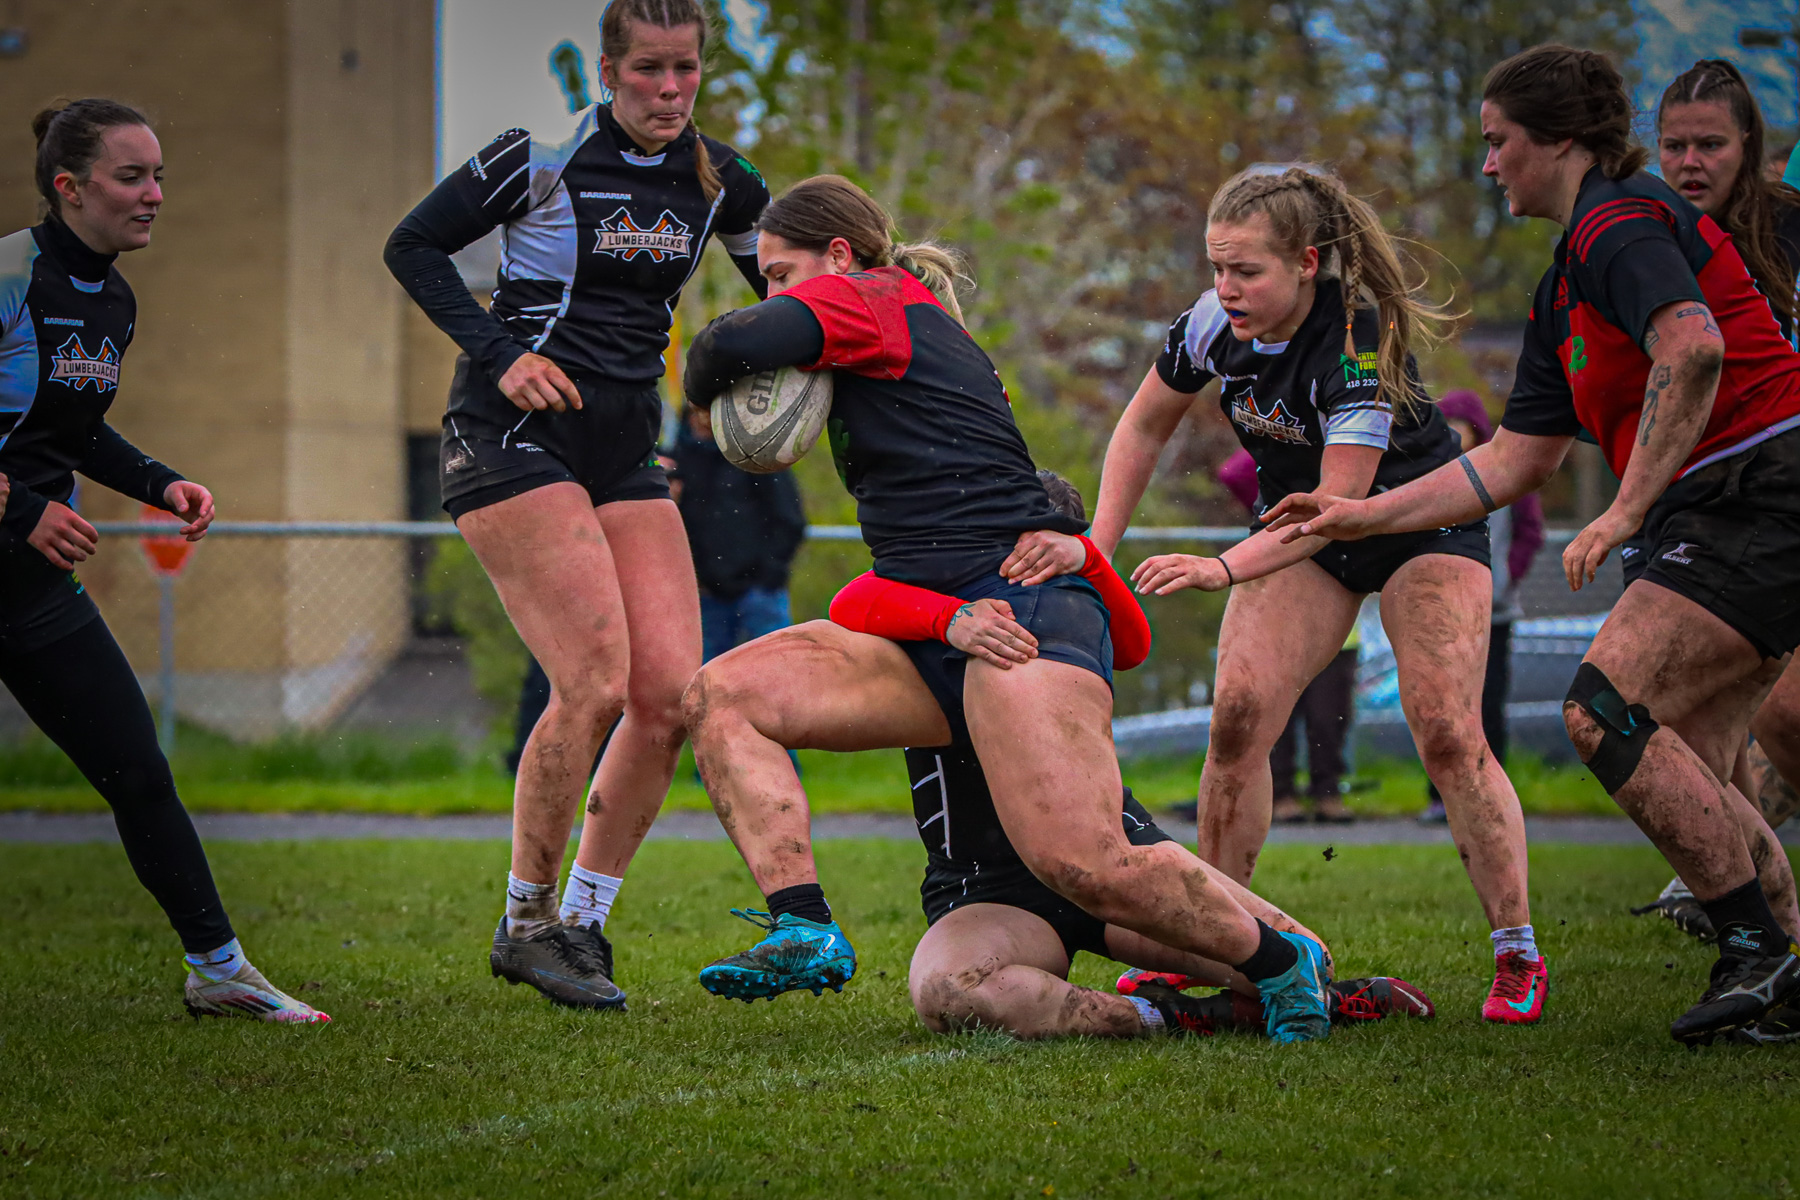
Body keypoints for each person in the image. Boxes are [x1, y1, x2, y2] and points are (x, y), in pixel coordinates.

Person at [680, 174, 1336, 1044]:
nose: (773, 295)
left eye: (782, 273)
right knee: (719, 695)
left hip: (1019, 609)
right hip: (937, 627)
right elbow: (864, 594)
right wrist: (945, 618)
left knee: (1081, 862)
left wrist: (1079, 551)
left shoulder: (874, 296)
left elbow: (720, 350)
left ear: (840, 257)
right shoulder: (867, 331)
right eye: (762, 278)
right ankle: (802, 921)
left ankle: (1281, 964)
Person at [1263, 45, 1800, 1046]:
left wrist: (1627, 507)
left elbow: (1696, 346)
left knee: (1604, 707)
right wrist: (1360, 513)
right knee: (1703, 771)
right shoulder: (1564, 285)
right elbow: (1513, 459)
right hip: (1725, 508)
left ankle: (1755, 951)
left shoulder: (1621, 219)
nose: (1487, 164)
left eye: (1497, 141)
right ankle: (1782, 972)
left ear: (1559, 139)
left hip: (1763, 491)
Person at [1076, 164, 1545, 1023]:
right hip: (1303, 530)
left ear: (1307, 261)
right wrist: (1097, 550)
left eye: (1246, 270)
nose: (1227, 288)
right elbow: (1144, 422)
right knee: (1238, 720)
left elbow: (1337, 513)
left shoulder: (1359, 342)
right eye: (1217, 267)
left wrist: (1219, 567)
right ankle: (1216, 945)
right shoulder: (1213, 322)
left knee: (1445, 731)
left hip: (1410, 526)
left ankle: (1516, 951)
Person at [384, 0, 770, 1010]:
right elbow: (413, 247)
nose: (669, 89)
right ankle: (525, 923)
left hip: (622, 448)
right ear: (609, 70)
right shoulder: (534, 162)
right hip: (509, 439)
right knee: (594, 682)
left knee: (671, 695)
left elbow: (787, 283)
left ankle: (582, 927)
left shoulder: (719, 179)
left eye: (685, 68)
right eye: (648, 69)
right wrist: (503, 355)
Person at [823, 479, 1436, 1038]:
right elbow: (850, 600)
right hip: (992, 892)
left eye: (1048, 554)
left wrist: (1087, 562)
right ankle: (1172, 1015)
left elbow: (1135, 643)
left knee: (1308, 953)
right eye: (1016, 550)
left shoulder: (1072, 610)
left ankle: (1325, 995)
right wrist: (949, 617)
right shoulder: (935, 604)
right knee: (952, 993)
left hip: (1118, 864)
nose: (1025, 571)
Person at [0, 100, 325, 1023]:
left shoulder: (114, 300)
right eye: (132, 177)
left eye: (160, 176)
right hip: (22, 540)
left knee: (137, 772)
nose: (154, 196)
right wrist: (25, 509)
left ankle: (219, 971)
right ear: (69, 188)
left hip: (27, 586)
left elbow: (71, 429)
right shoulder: (7, 274)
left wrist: (160, 481)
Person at [1628, 62, 1800, 976]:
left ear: (1750, 148)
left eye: (1711, 145)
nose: (1690, 162)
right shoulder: (1648, 235)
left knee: (1787, 716)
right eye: (1675, 145)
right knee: (1708, 738)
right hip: (1700, 504)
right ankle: (1759, 928)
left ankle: (1750, 915)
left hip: (1781, 497)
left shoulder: (1789, 229)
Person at [1419, 390, 1546, 823]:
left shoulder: (1507, 477)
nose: (1455, 437)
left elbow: (1530, 532)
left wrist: (1503, 579)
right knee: (1439, 705)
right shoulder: (1428, 480)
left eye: (1461, 428)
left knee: (1487, 705)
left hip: (1494, 615)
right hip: (1442, 616)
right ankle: (1441, 797)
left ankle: (1492, 796)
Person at [1219, 450, 1360, 825]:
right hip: (1279, 624)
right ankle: (1281, 793)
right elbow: (1234, 471)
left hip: (1342, 632)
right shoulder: (1278, 503)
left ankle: (1327, 792)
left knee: (1329, 718)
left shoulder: (1348, 491)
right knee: (1274, 713)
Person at [671, 404, 806, 663]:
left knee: (778, 670)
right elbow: (647, 461)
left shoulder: (757, 456)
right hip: (705, 596)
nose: (702, 421)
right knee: (705, 681)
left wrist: (768, 575)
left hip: (758, 593)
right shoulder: (678, 459)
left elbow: (790, 519)